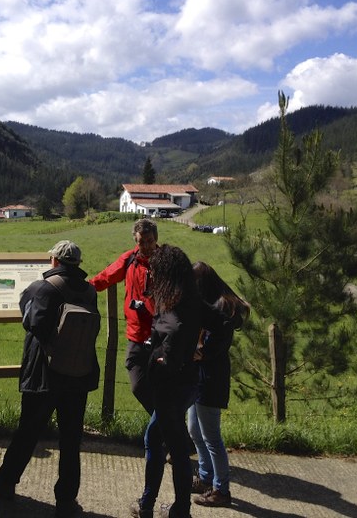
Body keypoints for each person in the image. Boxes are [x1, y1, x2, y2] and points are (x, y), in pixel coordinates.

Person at [0, 240, 100, 518]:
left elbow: (31, 321)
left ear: (54, 261)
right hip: (78, 373)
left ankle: (5, 482)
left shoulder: (43, 288)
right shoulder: (90, 291)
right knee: (71, 438)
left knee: (28, 431)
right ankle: (66, 499)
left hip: (45, 374)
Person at [130, 244, 215, 518]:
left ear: (166, 272)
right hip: (188, 382)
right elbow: (225, 321)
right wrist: (202, 351)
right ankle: (148, 505)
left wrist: (164, 359)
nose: (152, 276)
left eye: (155, 271)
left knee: (175, 448)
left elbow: (175, 330)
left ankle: (176, 509)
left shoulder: (175, 305)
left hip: (171, 386)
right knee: (156, 438)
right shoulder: (191, 298)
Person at [188, 262, 248, 508]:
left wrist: (184, 350)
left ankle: (221, 490)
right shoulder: (216, 305)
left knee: (211, 436)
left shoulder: (222, 310)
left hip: (210, 378)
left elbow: (207, 350)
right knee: (194, 429)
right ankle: (205, 477)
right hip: (202, 375)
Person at [89, 218, 158, 414]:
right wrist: (82, 289)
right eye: (141, 242)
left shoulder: (166, 262)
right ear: (135, 242)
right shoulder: (129, 260)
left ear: (156, 239)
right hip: (136, 336)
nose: (146, 246)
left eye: (150, 241)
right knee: (139, 386)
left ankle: (167, 434)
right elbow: (105, 277)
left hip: (161, 337)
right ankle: (167, 427)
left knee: (163, 388)